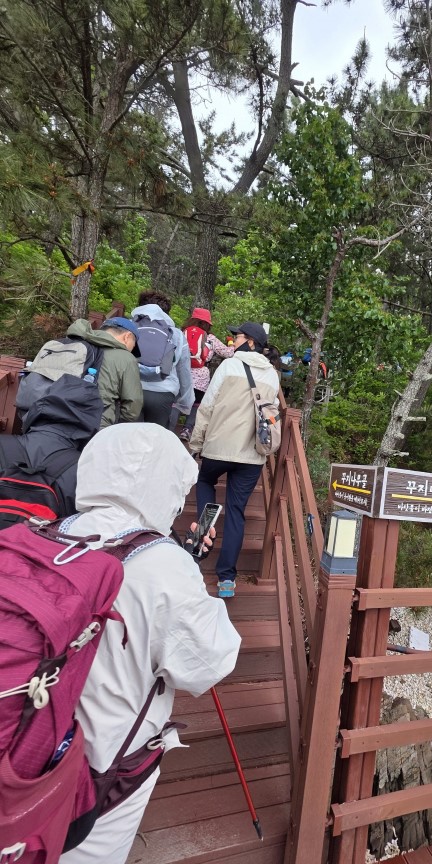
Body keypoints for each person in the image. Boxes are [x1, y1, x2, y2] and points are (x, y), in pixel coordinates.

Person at [58, 423, 241, 864]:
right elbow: (211, 660)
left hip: (21, 741)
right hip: (97, 774)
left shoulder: (50, 531)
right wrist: (192, 575)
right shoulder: (165, 567)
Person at [189, 321, 279, 598]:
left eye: (236, 336)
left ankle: (199, 547)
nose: (232, 340)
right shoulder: (273, 375)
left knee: (205, 481)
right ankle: (227, 578)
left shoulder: (228, 367)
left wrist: (196, 443)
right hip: (252, 454)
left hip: (219, 447)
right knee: (236, 512)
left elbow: (207, 407)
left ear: (250, 342)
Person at [0, 373, 99, 521]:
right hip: (35, 542)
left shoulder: (2, 444)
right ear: (91, 422)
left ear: (41, 405)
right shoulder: (86, 469)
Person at [131, 291, 194, 427]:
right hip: (163, 392)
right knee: (154, 439)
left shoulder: (129, 327)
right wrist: (185, 403)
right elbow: (184, 371)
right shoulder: (177, 334)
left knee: (129, 438)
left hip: (131, 389)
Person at [178, 307, 234, 442]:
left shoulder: (181, 333)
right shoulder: (210, 338)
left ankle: (167, 427)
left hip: (181, 373)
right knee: (196, 404)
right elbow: (229, 353)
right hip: (200, 377)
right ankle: (187, 429)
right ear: (207, 323)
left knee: (176, 403)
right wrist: (231, 342)